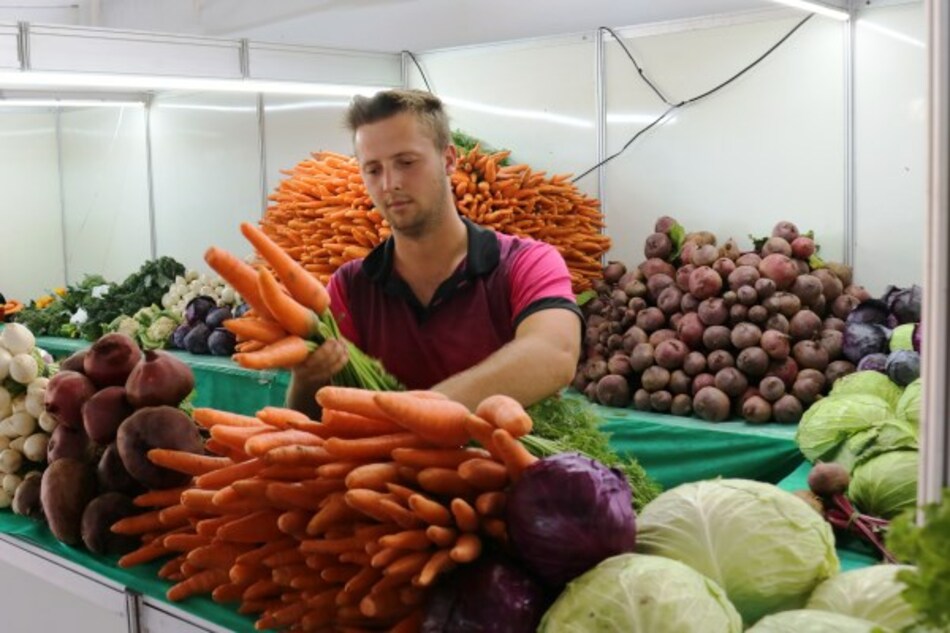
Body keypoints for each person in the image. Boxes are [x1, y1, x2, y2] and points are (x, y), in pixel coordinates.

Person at [287, 89, 582, 418]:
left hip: (506, 465)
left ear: (448, 160)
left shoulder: (526, 262)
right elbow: (315, 416)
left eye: (406, 162)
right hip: (389, 467)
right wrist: (305, 381)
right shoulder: (351, 287)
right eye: (373, 169)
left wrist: (417, 414)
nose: (390, 183)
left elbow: (555, 353)